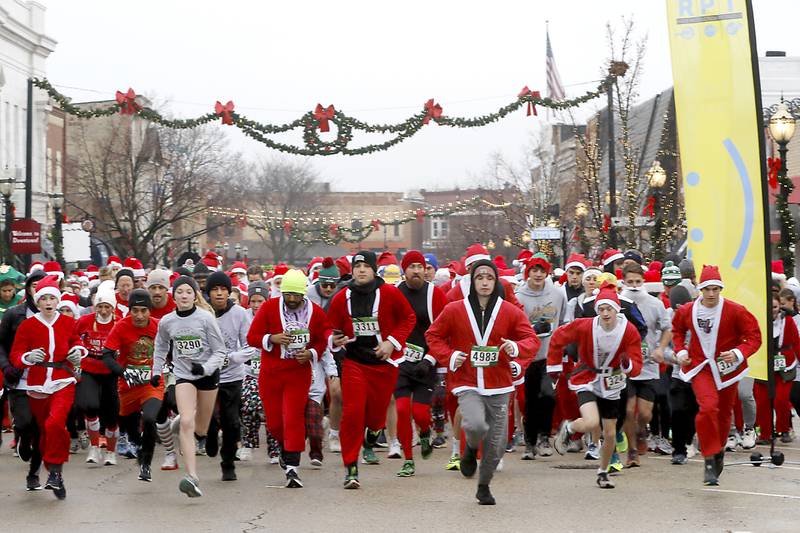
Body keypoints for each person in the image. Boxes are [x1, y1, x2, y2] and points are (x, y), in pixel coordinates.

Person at [426, 259, 538, 504]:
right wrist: (450, 356)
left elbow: (531, 339)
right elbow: (433, 335)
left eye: (489, 278)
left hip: (499, 383)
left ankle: (484, 486)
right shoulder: (455, 309)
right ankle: (468, 450)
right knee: (476, 424)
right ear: (472, 281)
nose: (485, 282)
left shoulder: (509, 311)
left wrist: (516, 348)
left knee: (497, 444)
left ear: (496, 281)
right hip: (467, 379)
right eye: (480, 278)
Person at [326, 251, 416, 489]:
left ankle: (372, 438)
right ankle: (351, 469)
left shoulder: (389, 293)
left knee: (376, 418)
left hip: (384, 364)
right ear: (352, 270)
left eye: (367, 266)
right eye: (358, 266)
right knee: (353, 413)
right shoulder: (341, 296)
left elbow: (408, 318)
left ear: (374, 270)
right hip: (355, 362)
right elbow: (329, 328)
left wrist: (392, 342)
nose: (362, 270)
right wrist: (334, 339)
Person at [671, 265, 761, 486]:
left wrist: (738, 353)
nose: (711, 294)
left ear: (721, 289)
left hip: (727, 370)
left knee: (723, 416)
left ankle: (719, 449)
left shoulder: (735, 310)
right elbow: (677, 330)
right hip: (701, 368)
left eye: (715, 289)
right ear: (700, 289)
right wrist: (681, 351)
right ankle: (709, 458)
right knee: (708, 407)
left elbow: (754, 336)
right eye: (707, 289)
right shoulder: (688, 311)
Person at [547, 283, 643, 489]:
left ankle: (603, 471)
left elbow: (636, 367)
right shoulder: (585, 325)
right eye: (601, 309)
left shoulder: (629, 331)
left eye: (609, 309)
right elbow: (557, 338)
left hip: (612, 382)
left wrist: (627, 364)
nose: (605, 313)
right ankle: (569, 428)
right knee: (591, 422)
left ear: (617, 310)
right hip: (587, 377)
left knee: (609, 434)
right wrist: (553, 367)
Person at [247, 269, 332, 488]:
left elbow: (324, 339)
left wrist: (312, 353)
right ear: (281, 293)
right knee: (275, 423)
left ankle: (293, 468)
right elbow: (252, 337)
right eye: (288, 295)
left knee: (293, 417)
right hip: (272, 373)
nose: (292, 299)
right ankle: (286, 448)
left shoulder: (315, 312)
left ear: (304, 293)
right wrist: (271, 338)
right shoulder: (268, 308)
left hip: (298, 372)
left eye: (296, 295)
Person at [10, 275, 88, 499]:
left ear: (57, 300)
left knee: (55, 423)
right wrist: (27, 356)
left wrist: (77, 352)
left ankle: (55, 471)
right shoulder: (27, 326)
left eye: (51, 298)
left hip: (63, 379)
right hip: (36, 383)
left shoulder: (67, 322)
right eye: (42, 298)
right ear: (36, 301)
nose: (47, 302)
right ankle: (47, 472)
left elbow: (77, 342)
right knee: (43, 431)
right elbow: (16, 355)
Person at [151, 275, 227, 497]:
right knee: (186, 422)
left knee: (200, 429)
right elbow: (160, 347)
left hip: (207, 376)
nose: (184, 296)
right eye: (180, 292)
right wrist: (156, 372)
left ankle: (204, 426)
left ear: (195, 296)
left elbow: (220, 351)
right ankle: (192, 477)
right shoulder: (167, 321)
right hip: (183, 375)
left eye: (188, 292)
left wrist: (204, 369)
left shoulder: (205, 318)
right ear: (172, 295)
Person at [393, 250, 448, 477]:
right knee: (403, 409)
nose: (417, 271)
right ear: (404, 270)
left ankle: (425, 432)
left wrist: (430, 359)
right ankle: (408, 459)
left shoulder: (434, 294)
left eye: (420, 267)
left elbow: (444, 332)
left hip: (426, 361)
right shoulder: (394, 293)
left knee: (421, 414)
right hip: (400, 361)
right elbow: (386, 324)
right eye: (412, 267)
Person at [101, 289, 163, 481]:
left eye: (143, 310)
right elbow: (107, 356)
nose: (139, 315)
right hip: (127, 386)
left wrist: (164, 369)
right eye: (134, 310)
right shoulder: (121, 327)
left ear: (150, 311)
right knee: (131, 430)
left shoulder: (159, 326)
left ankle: (146, 464)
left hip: (151, 384)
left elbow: (172, 350)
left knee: (151, 419)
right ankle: (136, 443)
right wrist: (124, 372)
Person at [205, 271, 258, 481]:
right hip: (207, 375)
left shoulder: (240, 314)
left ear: (229, 292)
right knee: (209, 417)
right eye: (215, 290)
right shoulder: (201, 313)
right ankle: (209, 433)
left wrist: (229, 359)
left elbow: (250, 346)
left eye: (223, 290)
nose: (219, 294)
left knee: (231, 422)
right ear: (208, 293)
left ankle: (227, 463)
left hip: (232, 376)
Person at [619, 263, 672, 467]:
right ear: (623, 282)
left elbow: (667, 328)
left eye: (638, 282)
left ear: (644, 282)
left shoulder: (654, 303)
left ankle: (642, 430)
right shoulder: (618, 303)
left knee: (645, 413)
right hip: (625, 366)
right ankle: (632, 451)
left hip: (648, 365)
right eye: (630, 282)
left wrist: (660, 348)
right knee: (629, 410)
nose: (634, 286)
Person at [514, 253, 566, 459]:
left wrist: (561, 343)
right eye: (534, 270)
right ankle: (529, 442)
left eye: (541, 271)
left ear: (547, 273)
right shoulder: (519, 297)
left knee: (548, 396)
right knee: (530, 400)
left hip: (549, 355)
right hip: (528, 357)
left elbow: (563, 322)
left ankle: (544, 437)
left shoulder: (557, 294)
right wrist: (532, 329)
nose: (537, 274)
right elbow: (516, 327)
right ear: (528, 272)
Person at [0, 271, 46, 490]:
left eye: (43, 286)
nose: (38, 290)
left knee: (41, 430)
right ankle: (21, 436)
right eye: (34, 286)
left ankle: (33, 475)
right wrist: (7, 366)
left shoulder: (57, 318)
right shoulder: (13, 315)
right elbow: (1, 345)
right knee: (26, 423)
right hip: (19, 379)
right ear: (27, 289)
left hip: (47, 382)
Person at [75, 286, 120, 466]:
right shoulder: (85, 321)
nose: (102, 311)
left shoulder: (119, 323)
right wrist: (77, 348)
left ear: (113, 308)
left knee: (111, 415)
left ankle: (110, 451)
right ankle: (94, 447)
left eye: (107, 307)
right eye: (99, 306)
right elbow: (72, 336)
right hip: (89, 368)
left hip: (110, 371)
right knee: (90, 406)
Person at [306, 258, 344, 452]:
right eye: (324, 284)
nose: (328, 288)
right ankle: (316, 432)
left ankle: (335, 433)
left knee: (337, 393)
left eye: (332, 285)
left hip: (336, 348)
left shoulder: (343, 295)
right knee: (317, 395)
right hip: (316, 348)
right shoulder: (309, 295)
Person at [238, 281, 278, 463]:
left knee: (271, 409)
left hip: (270, 370)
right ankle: (248, 444)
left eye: (260, 301)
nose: (255, 305)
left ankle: (274, 449)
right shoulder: (243, 317)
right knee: (249, 405)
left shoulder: (274, 316)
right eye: (252, 301)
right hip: (248, 371)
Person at [753, 293, 798, 444]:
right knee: (762, 401)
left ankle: (784, 430)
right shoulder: (758, 320)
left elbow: (796, 343)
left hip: (785, 366)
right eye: (769, 307)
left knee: (781, 400)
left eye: (775, 307)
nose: (772, 310)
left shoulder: (788, 321)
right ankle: (765, 434)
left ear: (780, 307)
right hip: (764, 366)